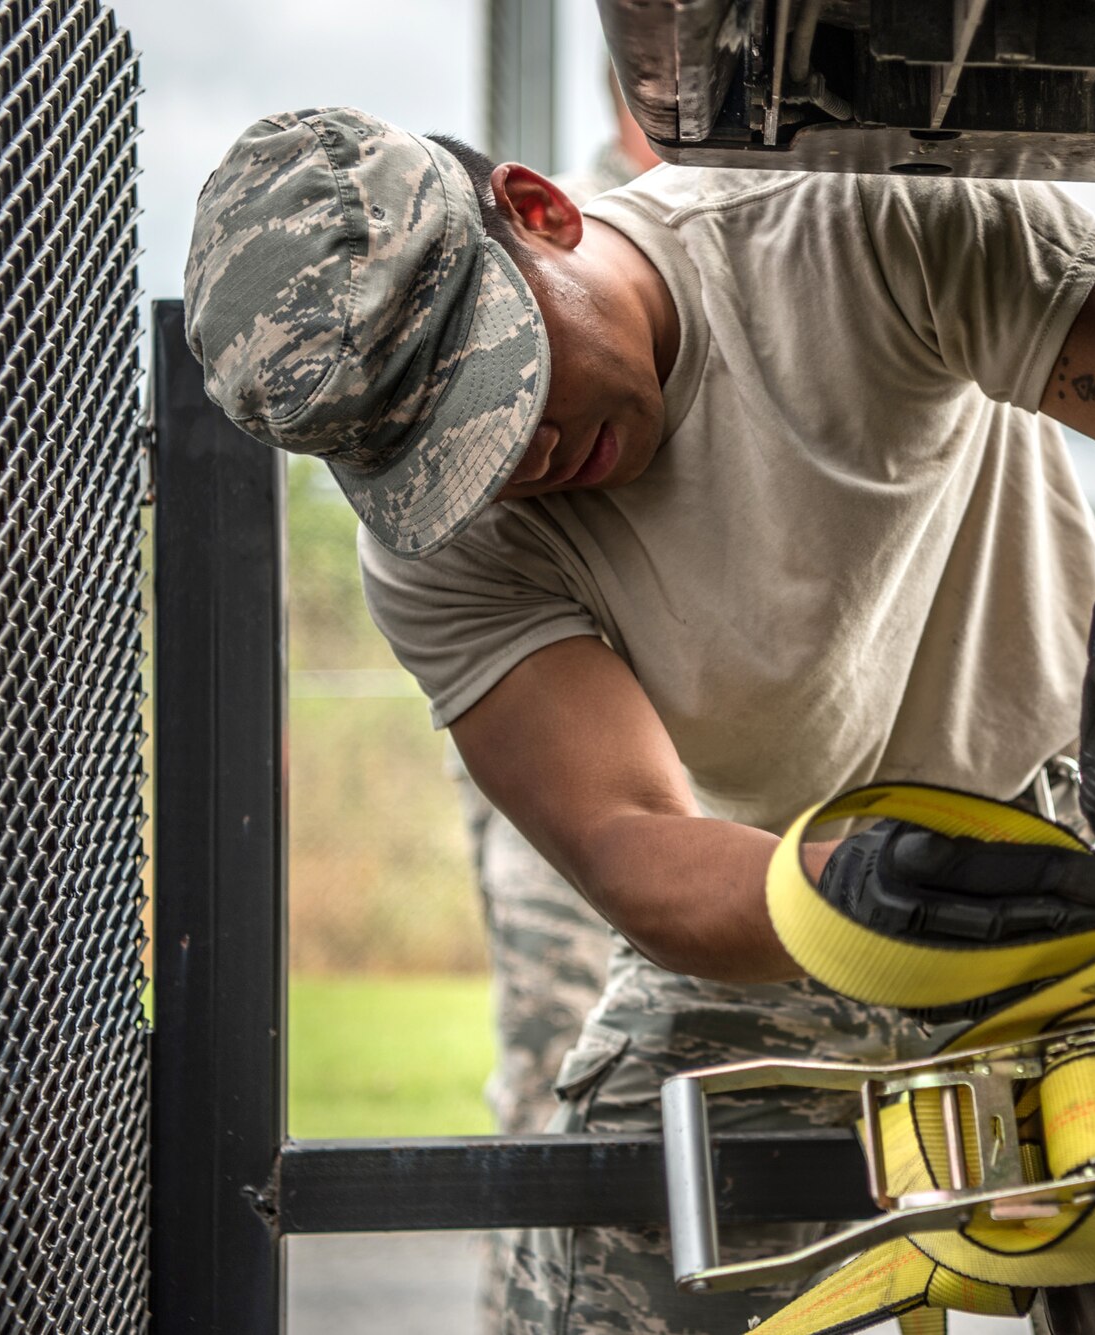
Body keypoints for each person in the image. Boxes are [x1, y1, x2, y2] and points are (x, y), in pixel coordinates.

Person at [183, 107, 1095, 1334]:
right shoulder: (443, 548)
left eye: (497, 390)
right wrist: (849, 897)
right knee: (607, 1280)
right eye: (440, 462)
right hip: (781, 905)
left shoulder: (846, 219)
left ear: (541, 212)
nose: (510, 464)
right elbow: (630, 839)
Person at [440, 65, 667, 1335]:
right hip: (580, 764)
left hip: (767, 762)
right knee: (564, 1099)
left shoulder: (794, 207)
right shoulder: (526, 236)